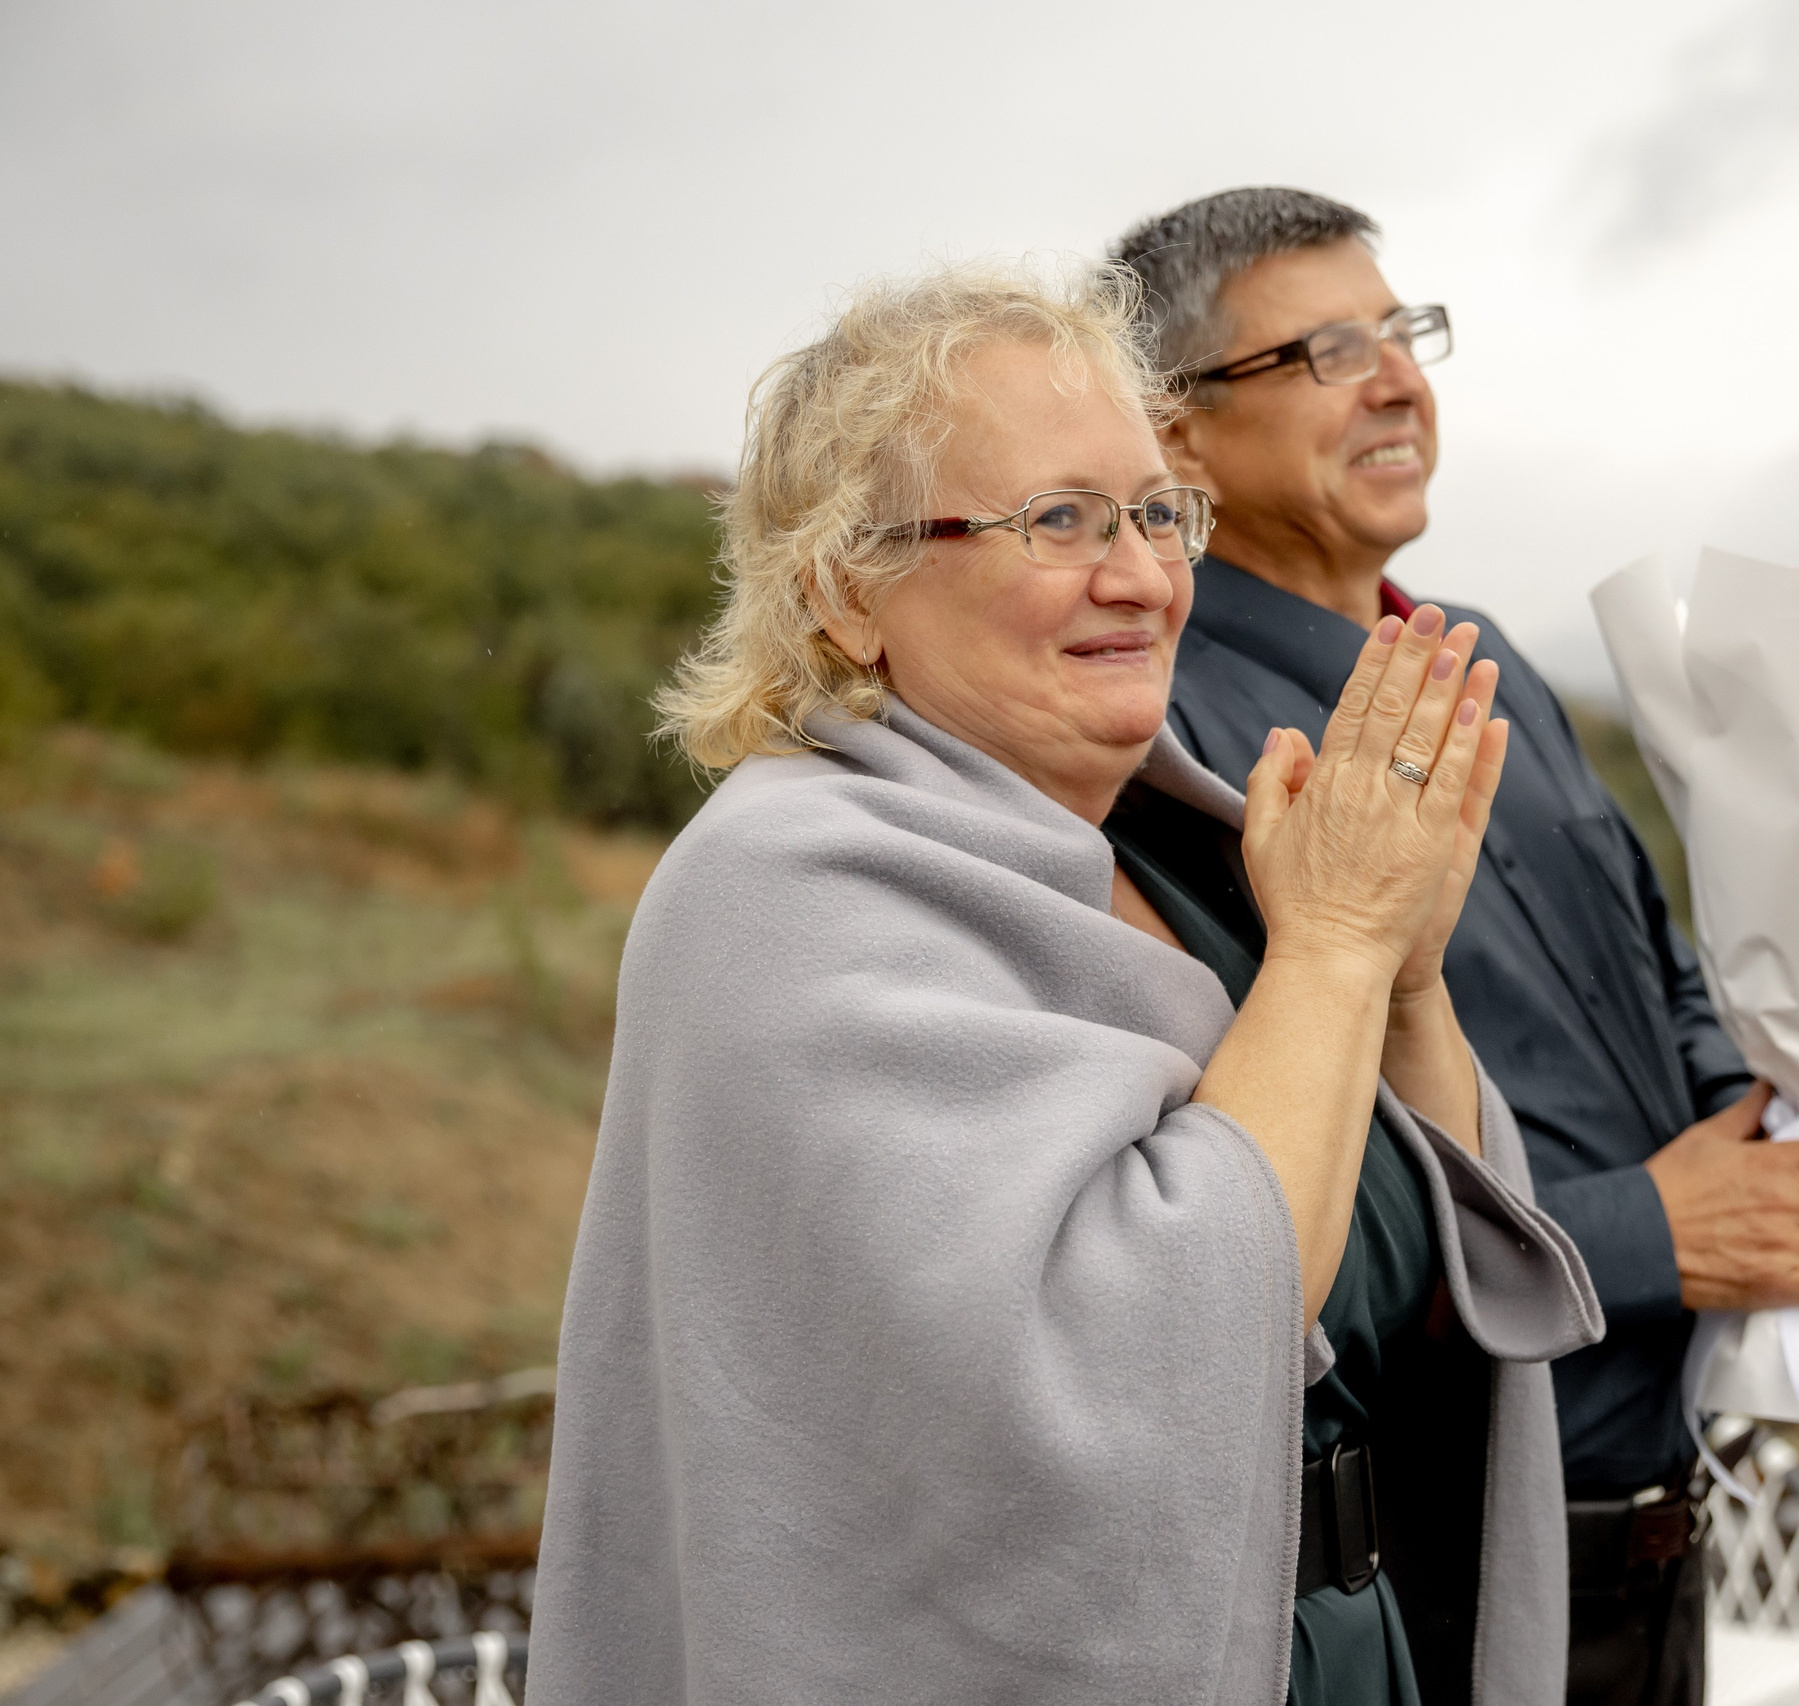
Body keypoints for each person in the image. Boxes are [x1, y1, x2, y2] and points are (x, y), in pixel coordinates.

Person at [524, 263, 1603, 1706]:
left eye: (1159, 513)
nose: (1143, 577)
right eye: (1059, 520)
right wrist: (1336, 947)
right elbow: (1131, 1361)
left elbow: (1430, 1269)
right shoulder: (782, 899)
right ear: (846, 589)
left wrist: (1399, 981)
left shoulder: (1182, 850)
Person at [1110, 189, 1799, 1705]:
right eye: (1327, 351)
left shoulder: (1486, 657)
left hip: (1669, 1518)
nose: (1397, 381)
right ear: (1176, 434)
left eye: (1404, 332)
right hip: (1439, 1550)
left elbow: (1664, 965)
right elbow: (1267, 1188)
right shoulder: (1168, 738)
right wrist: (1648, 1231)